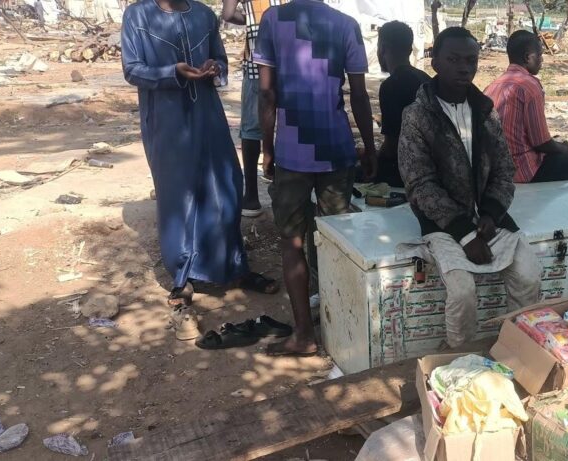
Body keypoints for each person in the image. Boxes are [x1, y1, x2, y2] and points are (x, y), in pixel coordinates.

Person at [121, 0, 278, 330]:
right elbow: (132, 69)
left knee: (225, 184)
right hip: (166, 119)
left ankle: (234, 266)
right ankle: (183, 276)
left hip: (207, 113)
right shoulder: (137, 15)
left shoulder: (204, 15)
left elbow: (220, 58)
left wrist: (215, 68)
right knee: (179, 193)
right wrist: (172, 71)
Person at [399, 27, 541, 348]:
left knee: (529, 275)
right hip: (443, 223)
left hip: (488, 219)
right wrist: (465, 234)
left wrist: (491, 213)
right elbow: (420, 183)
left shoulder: (484, 110)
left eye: (471, 61)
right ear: (434, 61)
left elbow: (505, 169)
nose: (464, 68)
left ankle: (517, 347)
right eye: (453, 59)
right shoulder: (418, 116)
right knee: (462, 292)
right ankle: (458, 356)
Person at [254, 0, 377, 356]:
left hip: (292, 151)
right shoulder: (345, 24)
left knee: (292, 241)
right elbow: (358, 94)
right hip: (336, 148)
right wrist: (368, 147)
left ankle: (304, 336)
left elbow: (267, 94)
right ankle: (347, 334)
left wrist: (267, 147)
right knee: (337, 241)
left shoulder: (273, 20)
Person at [485, 30, 568, 183]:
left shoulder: (492, 86)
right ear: (528, 57)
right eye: (540, 55)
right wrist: (564, 149)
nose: (542, 60)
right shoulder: (529, 86)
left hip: (493, 167)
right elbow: (541, 142)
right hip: (521, 168)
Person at [221, 0, 288, 217]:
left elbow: (229, 14)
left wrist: (251, 20)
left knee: (251, 128)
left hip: (257, 62)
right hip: (291, 56)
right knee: (289, 122)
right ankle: (287, 189)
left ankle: (251, 197)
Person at [374, 21, 430, 188]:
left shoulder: (391, 85)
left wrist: (372, 155)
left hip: (405, 172)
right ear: (409, 49)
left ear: (382, 48)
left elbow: (392, 146)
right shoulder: (425, 78)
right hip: (431, 166)